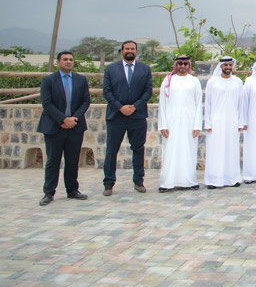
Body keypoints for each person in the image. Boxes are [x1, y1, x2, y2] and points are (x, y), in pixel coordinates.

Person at [37, 51, 90, 206]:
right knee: (53, 161)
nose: (68, 62)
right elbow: (47, 103)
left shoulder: (81, 80)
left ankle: (72, 190)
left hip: (75, 126)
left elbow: (85, 101)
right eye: (65, 59)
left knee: (72, 160)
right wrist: (62, 119)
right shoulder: (48, 80)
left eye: (71, 59)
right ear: (58, 62)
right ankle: (49, 192)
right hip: (55, 127)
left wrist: (73, 119)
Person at [102, 40, 153, 196]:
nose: (129, 51)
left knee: (138, 149)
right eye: (127, 49)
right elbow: (107, 91)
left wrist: (134, 107)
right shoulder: (111, 69)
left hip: (137, 116)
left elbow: (148, 91)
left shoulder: (145, 69)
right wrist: (120, 107)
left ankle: (139, 181)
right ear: (121, 51)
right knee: (112, 150)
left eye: (132, 49)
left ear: (137, 52)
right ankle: (108, 183)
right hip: (116, 116)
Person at [157, 55, 202, 192]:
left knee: (188, 151)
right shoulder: (168, 80)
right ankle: (167, 182)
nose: (182, 66)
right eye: (180, 63)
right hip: (171, 122)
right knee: (170, 152)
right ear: (176, 65)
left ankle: (189, 181)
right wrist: (163, 125)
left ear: (189, 65)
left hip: (189, 123)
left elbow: (198, 104)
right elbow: (162, 103)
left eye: (185, 63)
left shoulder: (194, 81)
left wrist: (197, 125)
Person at [204, 57, 245, 189]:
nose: (228, 67)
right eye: (225, 65)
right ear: (221, 66)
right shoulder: (212, 82)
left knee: (231, 150)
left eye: (230, 65)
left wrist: (240, 122)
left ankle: (233, 178)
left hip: (232, 121)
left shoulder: (238, 82)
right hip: (216, 122)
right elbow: (208, 104)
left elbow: (241, 104)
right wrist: (208, 123)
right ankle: (214, 180)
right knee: (215, 151)